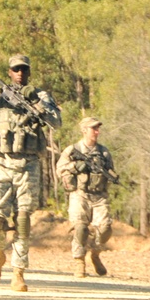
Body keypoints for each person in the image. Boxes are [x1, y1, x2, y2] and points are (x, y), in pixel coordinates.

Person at [0, 54, 62, 291]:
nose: (20, 73)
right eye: (16, 69)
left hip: (28, 164)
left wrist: (38, 104)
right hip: (2, 162)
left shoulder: (40, 96)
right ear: (9, 72)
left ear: (29, 72)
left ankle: (18, 271)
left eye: (24, 69)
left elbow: (56, 122)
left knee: (23, 219)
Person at [56, 117, 117, 278]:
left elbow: (110, 170)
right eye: (93, 128)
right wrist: (75, 166)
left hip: (99, 195)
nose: (97, 132)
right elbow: (60, 169)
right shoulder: (72, 150)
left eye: (98, 128)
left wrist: (111, 176)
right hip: (79, 194)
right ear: (84, 130)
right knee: (80, 228)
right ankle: (79, 261)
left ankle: (95, 254)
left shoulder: (103, 152)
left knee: (105, 229)